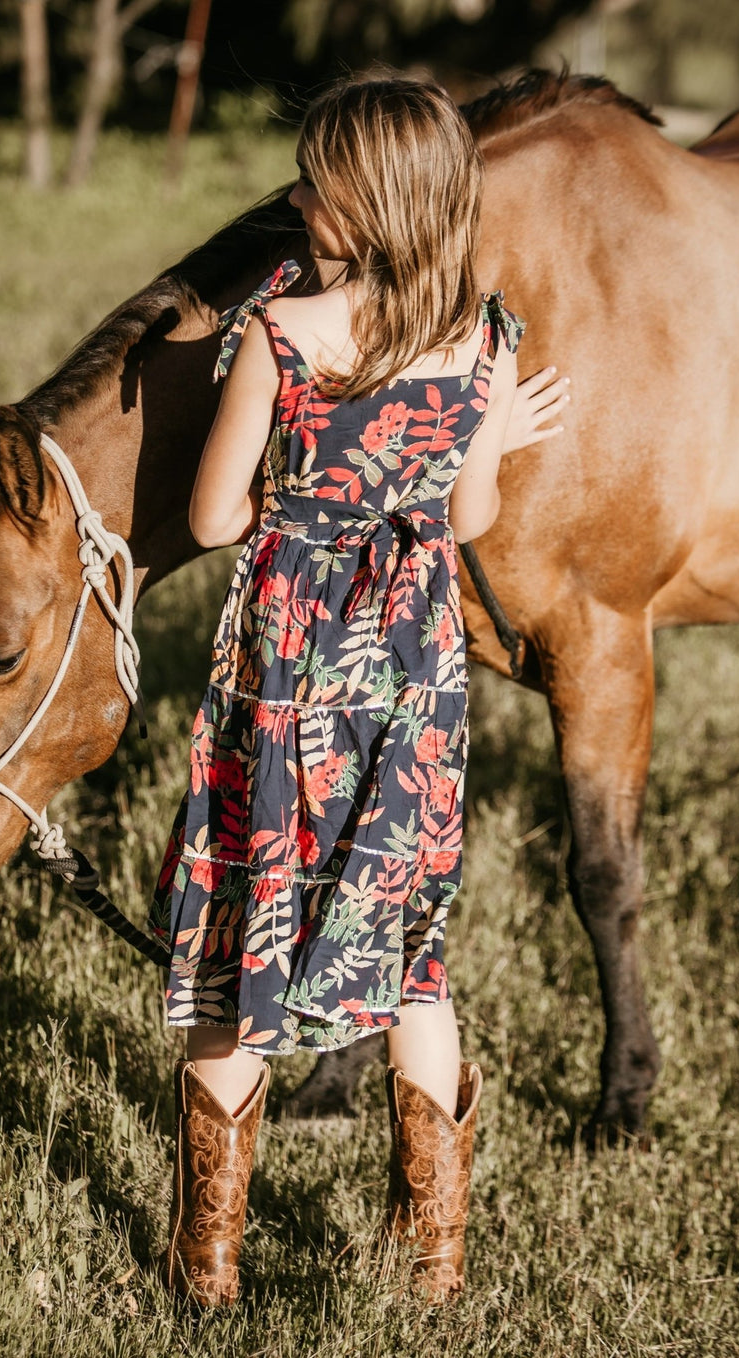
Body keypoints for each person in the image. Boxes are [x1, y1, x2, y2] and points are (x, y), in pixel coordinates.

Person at [150, 75, 569, 1307]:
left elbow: (213, 517)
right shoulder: (485, 341)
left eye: (314, 181)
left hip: (292, 668)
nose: (295, 197)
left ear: (367, 201)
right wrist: (489, 432)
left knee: (244, 929)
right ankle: (434, 1260)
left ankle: (208, 1262)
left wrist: (301, 478)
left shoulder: (284, 334)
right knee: (412, 950)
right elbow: (466, 515)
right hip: (415, 675)